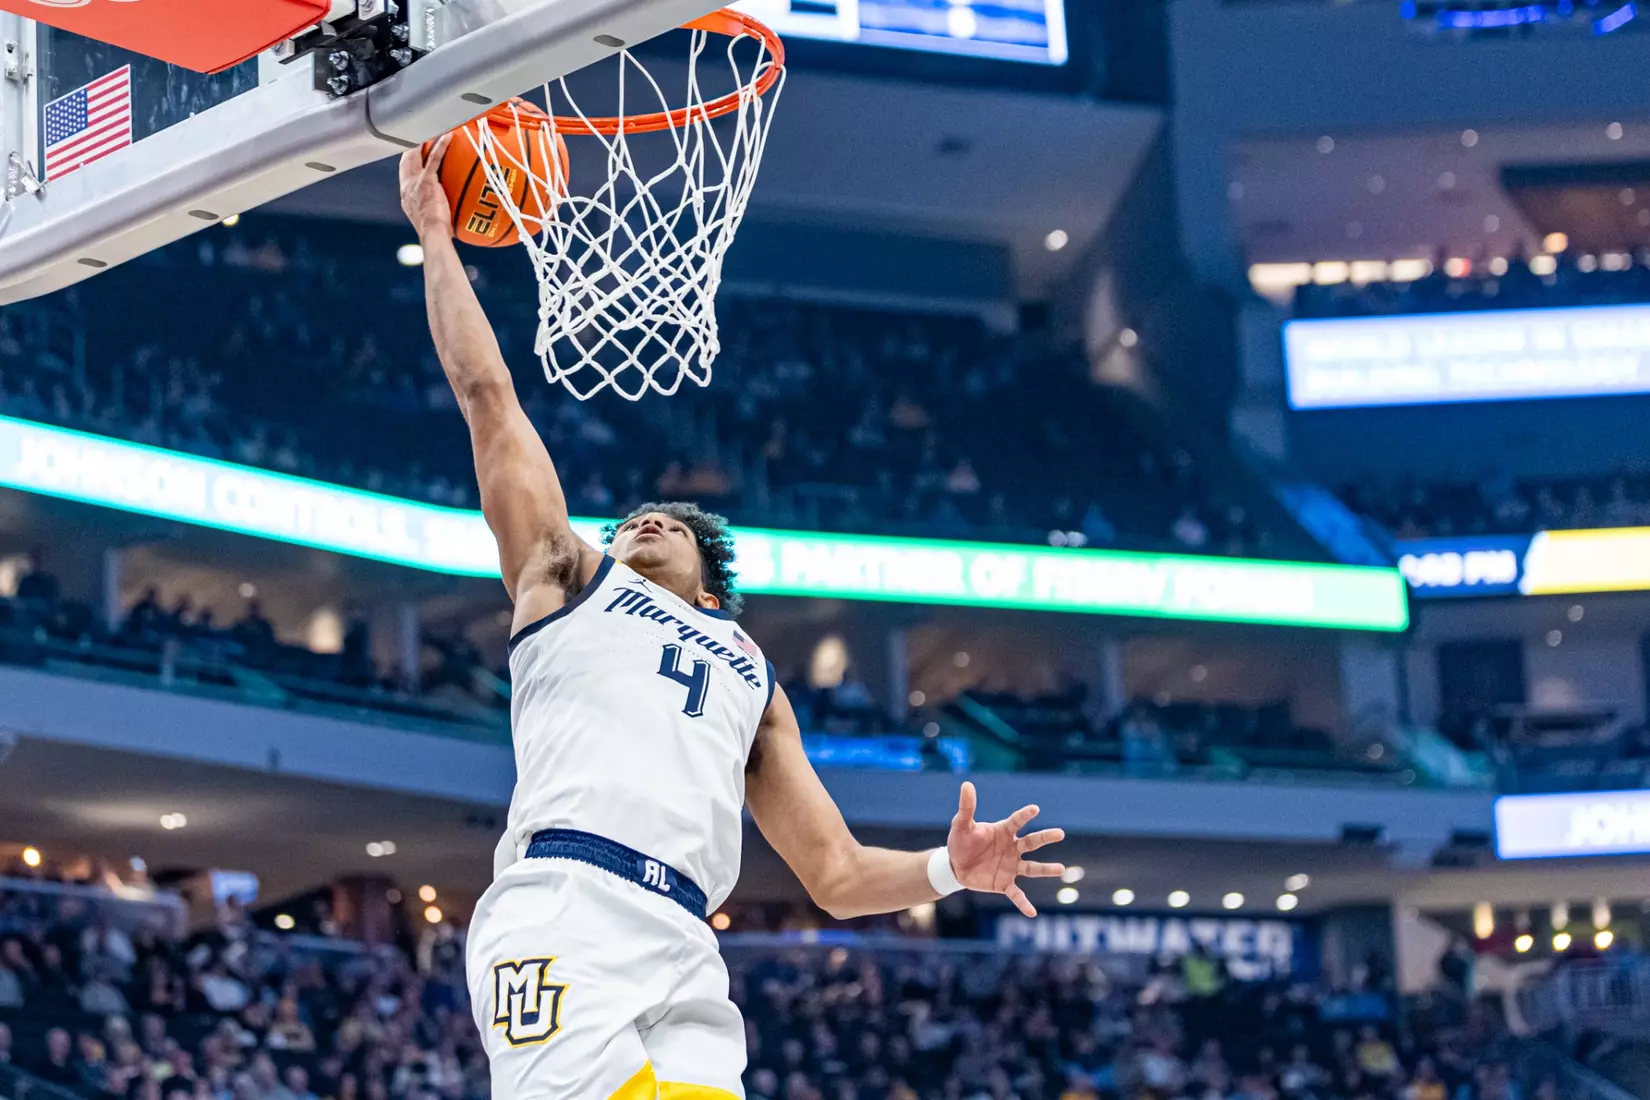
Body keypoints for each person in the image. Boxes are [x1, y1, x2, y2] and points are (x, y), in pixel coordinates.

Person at [400, 140, 1068, 1100]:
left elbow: (834, 873)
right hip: (563, 903)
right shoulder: (565, 576)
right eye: (630, 519)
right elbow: (488, 400)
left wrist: (947, 872)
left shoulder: (753, 675)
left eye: (669, 524)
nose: (644, 518)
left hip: (683, 937)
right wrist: (435, 234)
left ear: (712, 591)